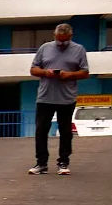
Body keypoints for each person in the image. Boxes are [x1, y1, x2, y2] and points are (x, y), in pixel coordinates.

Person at [28, 23, 90, 175]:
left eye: (65, 40)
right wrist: (46, 72)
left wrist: (70, 74)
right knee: (41, 131)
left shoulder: (79, 49)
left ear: (71, 36)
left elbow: (85, 72)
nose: (61, 43)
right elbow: (33, 69)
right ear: (54, 35)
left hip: (67, 98)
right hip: (45, 97)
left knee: (65, 131)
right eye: (59, 39)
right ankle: (41, 163)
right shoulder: (45, 48)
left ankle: (63, 162)